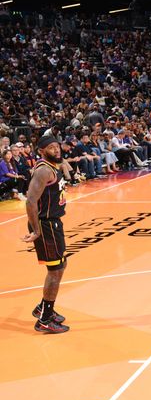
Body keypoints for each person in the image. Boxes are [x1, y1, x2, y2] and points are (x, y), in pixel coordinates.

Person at [21, 136, 71, 333]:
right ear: (42, 151)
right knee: (55, 271)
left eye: (57, 146)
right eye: (51, 148)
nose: (57, 150)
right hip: (46, 225)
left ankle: (43, 308)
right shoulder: (43, 171)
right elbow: (30, 201)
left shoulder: (52, 165)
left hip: (53, 223)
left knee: (61, 265)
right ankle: (45, 319)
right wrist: (36, 230)